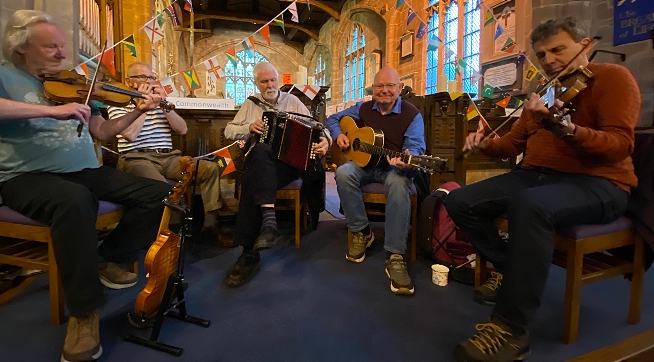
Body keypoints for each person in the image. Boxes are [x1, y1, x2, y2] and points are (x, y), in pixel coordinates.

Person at [0, 10, 173, 362]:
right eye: (51, 47)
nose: (61, 54)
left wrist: (139, 110)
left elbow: (103, 132)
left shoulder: (75, 83)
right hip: (28, 178)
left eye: (62, 46)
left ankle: (108, 258)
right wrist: (49, 111)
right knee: (74, 200)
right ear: (23, 47)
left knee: (162, 193)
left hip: (86, 171)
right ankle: (84, 314)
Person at [444, 17, 640, 362]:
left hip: (599, 183)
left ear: (584, 45)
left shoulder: (613, 78)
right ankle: (511, 269)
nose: (549, 59)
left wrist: (567, 130)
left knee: (530, 205)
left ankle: (511, 329)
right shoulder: (544, 95)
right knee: (460, 199)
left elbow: (619, 146)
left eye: (557, 49)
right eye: (542, 54)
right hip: (536, 176)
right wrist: (484, 144)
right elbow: (508, 146)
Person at [222, 62, 331, 288]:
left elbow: (321, 128)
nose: (270, 85)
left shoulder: (293, 101)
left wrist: (326, 142)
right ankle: (268, 227)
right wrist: (247, 128)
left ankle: (249, 251)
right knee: (260, 154)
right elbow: (228, 130)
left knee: (254, 176)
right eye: (264, 81)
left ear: (278, 80)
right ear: (257, 84)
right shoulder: (251, 105)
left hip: (289, 166)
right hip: (262, 165)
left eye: (273, 80)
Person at [327, 66, 426, 296]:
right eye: (379, 86)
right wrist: (338, 135)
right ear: (372, 90)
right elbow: (333, 119)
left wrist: (407, 159)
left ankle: (395, 254)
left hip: (394, 169)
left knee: (399, 183)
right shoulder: (363, 109)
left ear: (399, 88)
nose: (384, 91)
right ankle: (362, 231)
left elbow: (417, 148)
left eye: (390, 86)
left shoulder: (412, 115)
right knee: (343, 173)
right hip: (365, 166)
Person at [108, 61, 227, 240]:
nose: (149, 81)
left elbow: (183, 130)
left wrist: (164, 105)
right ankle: (170, 233)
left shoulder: (161, 104)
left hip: (168, 157)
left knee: (209, 169)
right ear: (129, 81)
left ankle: (210, 226)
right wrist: (143, 108)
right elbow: (130, 135)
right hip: (136, 158)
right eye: (143, 77)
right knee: (161, 188)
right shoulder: (118, 103)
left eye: (152, 77)